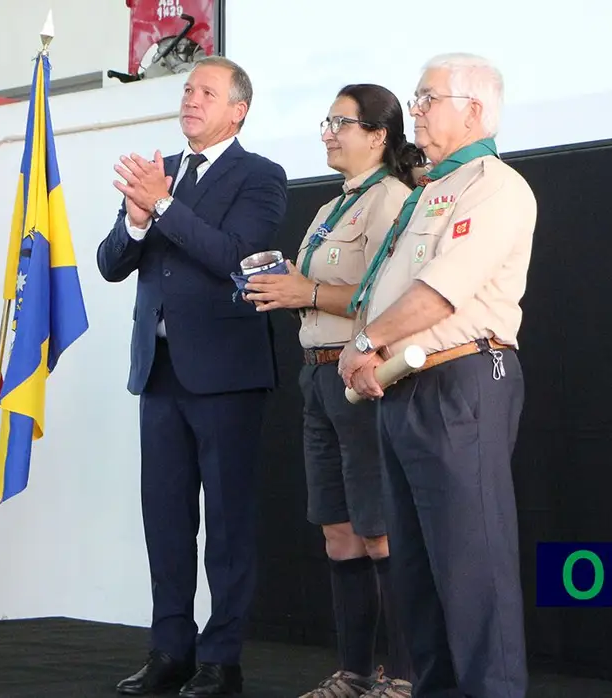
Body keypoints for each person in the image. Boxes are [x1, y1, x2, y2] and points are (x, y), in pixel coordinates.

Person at [337, 53, 537, 698]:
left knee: (472, 569)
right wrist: (369, 353)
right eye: (416, 100)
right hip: (404, 388)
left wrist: (364, 341)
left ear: (474, 110)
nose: (414, 112)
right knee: (417, 575)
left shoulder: (494, 184)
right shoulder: (428, 189)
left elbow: (439, 293)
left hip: (461, 384)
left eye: (428, 99)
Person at [97, 56, 288, 698]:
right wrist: (136, 218)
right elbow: (109, 263)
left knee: (228, 525)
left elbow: (237, 258)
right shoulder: (163, 173)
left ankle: (222, 658)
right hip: (159, 374)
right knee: (166, 521)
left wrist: (165, 205)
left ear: (239, 109)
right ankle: (169, 650)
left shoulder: (261, 176)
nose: (190, 99)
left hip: (228, 376)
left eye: (206, 91)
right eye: (186, 89)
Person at [243, 84, 419, 698]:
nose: (327, 132)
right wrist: (281, 289)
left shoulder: (392, 200)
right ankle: (352, 672)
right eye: (326, 121)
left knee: (378, 529)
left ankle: (401, 675)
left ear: (378, 135)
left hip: (360, 377)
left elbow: (393, 298)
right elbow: (313, 290)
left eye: (341, 123)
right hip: (316, 374)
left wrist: (308, 294)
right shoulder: (329, 208)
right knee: (337, 530)